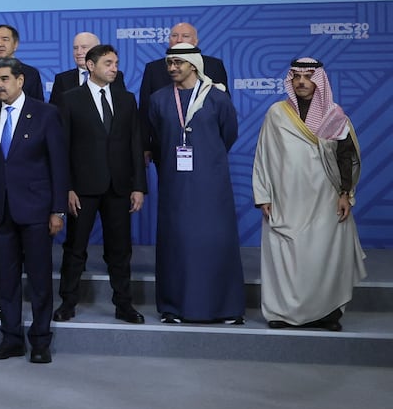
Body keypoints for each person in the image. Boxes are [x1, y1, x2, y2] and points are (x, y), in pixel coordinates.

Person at [253, 58, 365, 331]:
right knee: (285, 256)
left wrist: (344, 193)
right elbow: (263, 156)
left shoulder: (333, 115)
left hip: (325, 199)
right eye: (296, 77)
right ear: (290, 81)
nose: (301, 82)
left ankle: (326, 313)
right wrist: (263, 194)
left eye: (308, 77)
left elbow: (346, 157)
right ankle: (281, 312)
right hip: (285, 199)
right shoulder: (276, 113)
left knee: (323, 257)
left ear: (319, 81)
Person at [0, 58, 67, 364]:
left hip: (37, 211)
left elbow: (58, 164)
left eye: (4, 79)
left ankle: (41, 341)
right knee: (6, 280)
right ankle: (11, 338)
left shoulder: (45, 113)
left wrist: (58, 210)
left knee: (40, 281)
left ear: (20, 80)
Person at [146, 44, 244, 325]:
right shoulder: (158, 99)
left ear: (193, 64)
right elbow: (157, 135)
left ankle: (225, 308)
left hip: (212, 184)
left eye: (178, 63)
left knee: (215, 241)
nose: (173, 68)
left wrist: (207, 158)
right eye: (169, 63)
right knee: (177, 243)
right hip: (175, 185)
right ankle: (173, 307)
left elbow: (228, 134)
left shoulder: (217, 97)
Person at [54, 44, 147, 324]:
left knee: (120, 251)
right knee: (75, 248)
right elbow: (62, 147)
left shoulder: (127, 99)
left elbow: (135, 143)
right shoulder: (70, 99)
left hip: (119, 187)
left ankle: (124, 305)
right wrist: (66, 187)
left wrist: (138, 186)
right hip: (82, 188)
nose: (114, 68)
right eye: (108, 63)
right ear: (91, 66)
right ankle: (68, 302)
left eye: (116, 63)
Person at [138, 22, 229, 159]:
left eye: (185, 36)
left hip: (207, 145)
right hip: (165, 145)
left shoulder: (214, 65)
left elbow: (225, 112)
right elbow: (145, 110)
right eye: (174, 35)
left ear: (195, 41)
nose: (179, 40)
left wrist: (218, 144)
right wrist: (145, 146)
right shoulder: (153, 68)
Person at [0, 25, 44, 105]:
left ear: (15, 44)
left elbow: (38, 107)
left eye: (5, 39)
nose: (0, 44)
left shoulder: (31, 73)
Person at [49, 32, 100, 103]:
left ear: (96, 50)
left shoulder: (109, 77)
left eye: (84, 47)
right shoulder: (62, 79)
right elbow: (55, 110)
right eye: (75, 48)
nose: (78, 52)